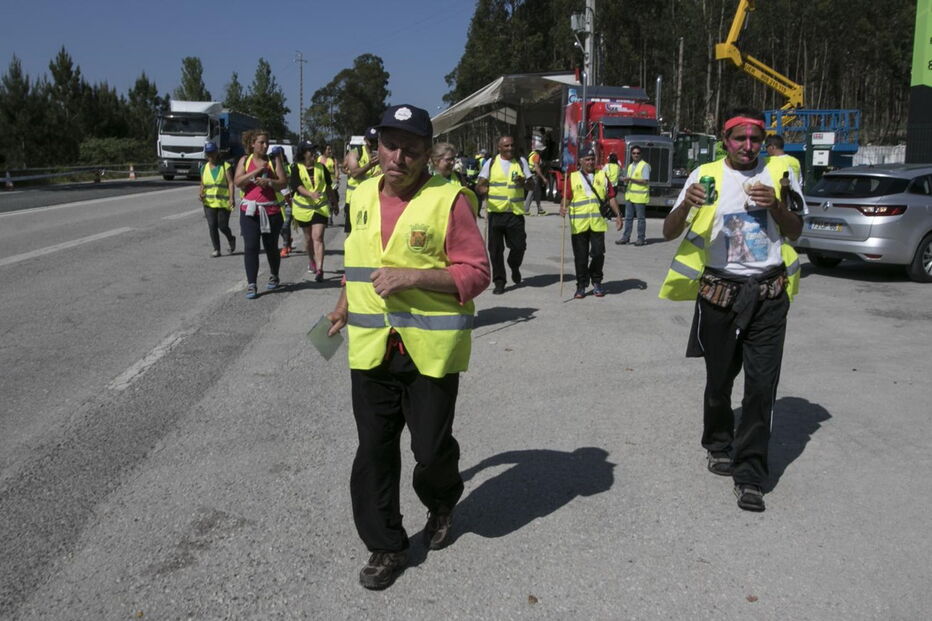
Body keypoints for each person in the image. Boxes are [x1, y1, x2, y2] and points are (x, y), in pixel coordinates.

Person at [325, 104, 490, 590]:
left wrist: (415, 276)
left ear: (425, 153)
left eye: (411, 149)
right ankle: (385, 545)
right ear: (376, 146)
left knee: (430, 448)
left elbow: (478, 273)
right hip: (372, 346)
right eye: (390, 145)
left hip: (428, 351)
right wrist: (342, 303)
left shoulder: (451, 199)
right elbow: (357, 262)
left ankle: (441, 501)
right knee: (374, 450)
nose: (398, 157)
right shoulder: (358, 195)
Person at [659, 107, 804, 513]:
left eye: (755, 139)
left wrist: (775, 206)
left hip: (769, 295)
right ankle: (719, 442)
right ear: (725, 139)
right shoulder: (704, 174)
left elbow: (796, 230)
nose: (748, 146)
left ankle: (751, 474)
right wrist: (686, 204)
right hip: (720, 295)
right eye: (739, 138)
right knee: (719, 380)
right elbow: (669, 231)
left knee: (761, 388)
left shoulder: (780, 174)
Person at [559, 146, 622, 298]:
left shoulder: (602, 175)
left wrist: (618, 215)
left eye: (592, 159)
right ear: (580, 161)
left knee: (598, 253)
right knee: (580, 257)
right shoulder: (573, 177)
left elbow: (611, 197)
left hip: (597, 223)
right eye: (587, 159)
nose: (590, 162)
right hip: (579, 225)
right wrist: (563, 207)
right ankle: (581, 285)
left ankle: (597, 281)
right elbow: (566, 198)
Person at [234, 129, 289, 299]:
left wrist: (270, 182)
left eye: (267, 143)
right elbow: (237, 181)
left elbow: (283, 182)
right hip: (250, 211)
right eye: (261, 143)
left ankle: (274, 274)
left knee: (271, 247)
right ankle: (252, 284)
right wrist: (255, 173)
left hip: (271, 211)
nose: (265, 146)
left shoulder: (274, 160)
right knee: (251, 246)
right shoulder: (245, 160)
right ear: (252, 144)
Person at [475, 136, 534, 295]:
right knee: (495, 250)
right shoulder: (491, 163)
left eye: (512, 145)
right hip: (496, 213)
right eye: (506, 145)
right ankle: (499, 281)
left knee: (519, 246)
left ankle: (514, 265)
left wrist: (524, 182)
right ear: (499, 147)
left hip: (515, 213)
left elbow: (532, 185)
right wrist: (482, 190)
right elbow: (479, 185)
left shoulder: (521, 162)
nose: (510, 148)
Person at [291, 141, 338, 282]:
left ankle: (319, 269)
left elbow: (328, 187)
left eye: (314, 150)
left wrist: (334, 203)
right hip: (303, 209)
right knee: (308, 239)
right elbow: (297, 186)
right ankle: (311, 260)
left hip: (320, 208)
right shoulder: (296, 168)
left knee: (318, 237)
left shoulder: (321, 168)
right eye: (310, 150)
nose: (313, 153)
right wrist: (310, 194)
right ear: (303, 153)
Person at [198, 141, 236, 257]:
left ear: (216, 152)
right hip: (209, 203)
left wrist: (231, 198)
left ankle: (231, 238)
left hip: (223, 202)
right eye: (208, 153)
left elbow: (230, 183)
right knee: (212, 225)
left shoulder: (225, 166)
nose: (210, 156)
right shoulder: (204, 168)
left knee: (222, 225)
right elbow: (202, 184)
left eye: (212, 153)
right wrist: (201, 193)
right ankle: (217, 249)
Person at [344, 128, 382, 233]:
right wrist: (370, 165)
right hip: (354, 199)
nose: (372, 143)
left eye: (375, 140)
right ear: (365, 140)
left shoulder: (380, 155)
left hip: (371, 199)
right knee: (352, 232)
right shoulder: (356, 153)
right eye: (370, 140)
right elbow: (355, 173)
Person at [430, 142, 479, 215]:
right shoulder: (428, 179)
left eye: (453, 159)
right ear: (436, 161)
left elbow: (467, 200)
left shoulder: (459, 177)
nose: (453, 162)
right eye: (448, 159)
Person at [616, 146, 651, 246]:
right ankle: (625, 238)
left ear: (641, 154)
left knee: (640, 219)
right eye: (634, 153)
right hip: (630, 196)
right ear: (631, 155)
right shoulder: (631, 166)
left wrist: (630, 179)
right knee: (628, 218)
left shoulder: (644, 166)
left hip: (640, 197)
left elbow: (645, 180)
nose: (636, 155)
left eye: (638, 153)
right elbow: (629, 179)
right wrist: (625, 180)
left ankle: (641, 239)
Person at [523, 144, 548, 216]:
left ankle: (540, 210)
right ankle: (526, 210)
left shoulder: (531, 153)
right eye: (542, 150)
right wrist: (543, 178)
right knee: (531, 193)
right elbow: (537, 168)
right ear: (540, 150)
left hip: (530, 175)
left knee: (537, 192)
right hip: (534, 176)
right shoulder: (537, 156)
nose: (543, 151)